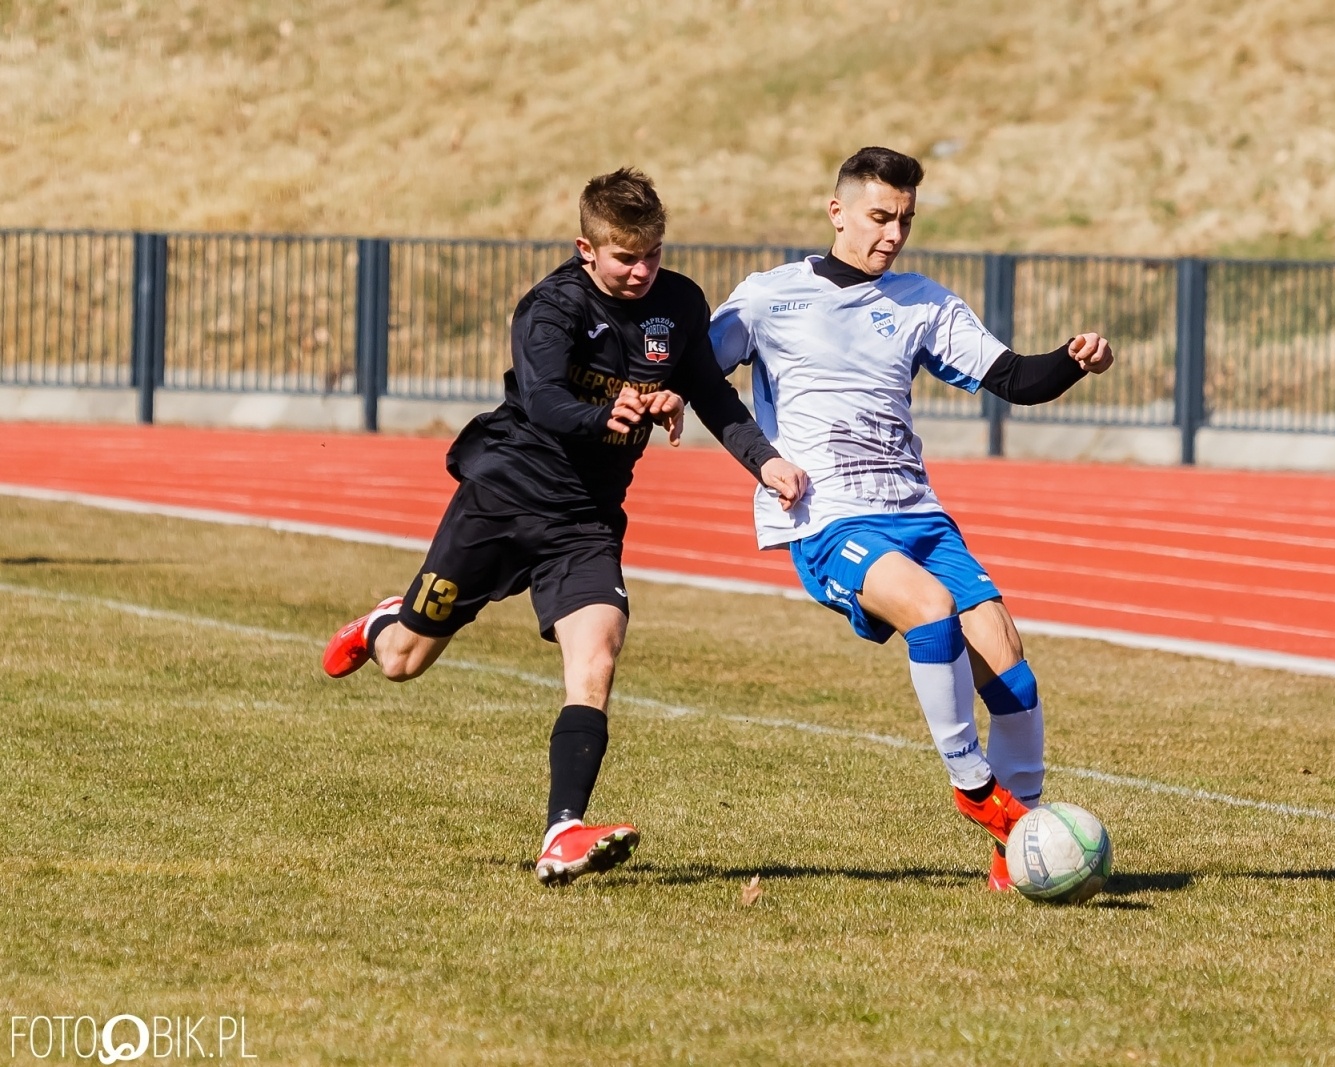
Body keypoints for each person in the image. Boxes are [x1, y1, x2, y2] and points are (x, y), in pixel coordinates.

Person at [322, 167, 808, 887]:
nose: (642, 270)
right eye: (625, 256)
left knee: (599, 653)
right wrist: (606, 413)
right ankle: (383, 622)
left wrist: (764, 462)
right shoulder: (550, 308)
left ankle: (562, 831)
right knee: (403, 661)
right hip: (505, 499)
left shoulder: (677, 304)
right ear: (588, 247)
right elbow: (546, 400)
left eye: (653, 253)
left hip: (586, 519)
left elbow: (710, 391)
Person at [708, 147, 1114, 892]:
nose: (892, 233)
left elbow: (1014, 378)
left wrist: (1072, 358)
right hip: (828, 517)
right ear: (837, 212)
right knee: (931, 613)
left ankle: (1016, 850)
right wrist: (758, 457)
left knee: (1008, 660)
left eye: (905, 220)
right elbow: (700, 377)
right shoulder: (767, 298)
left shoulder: (923, 301)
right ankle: (972, 785)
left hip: (918, 512)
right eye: (879, 216)